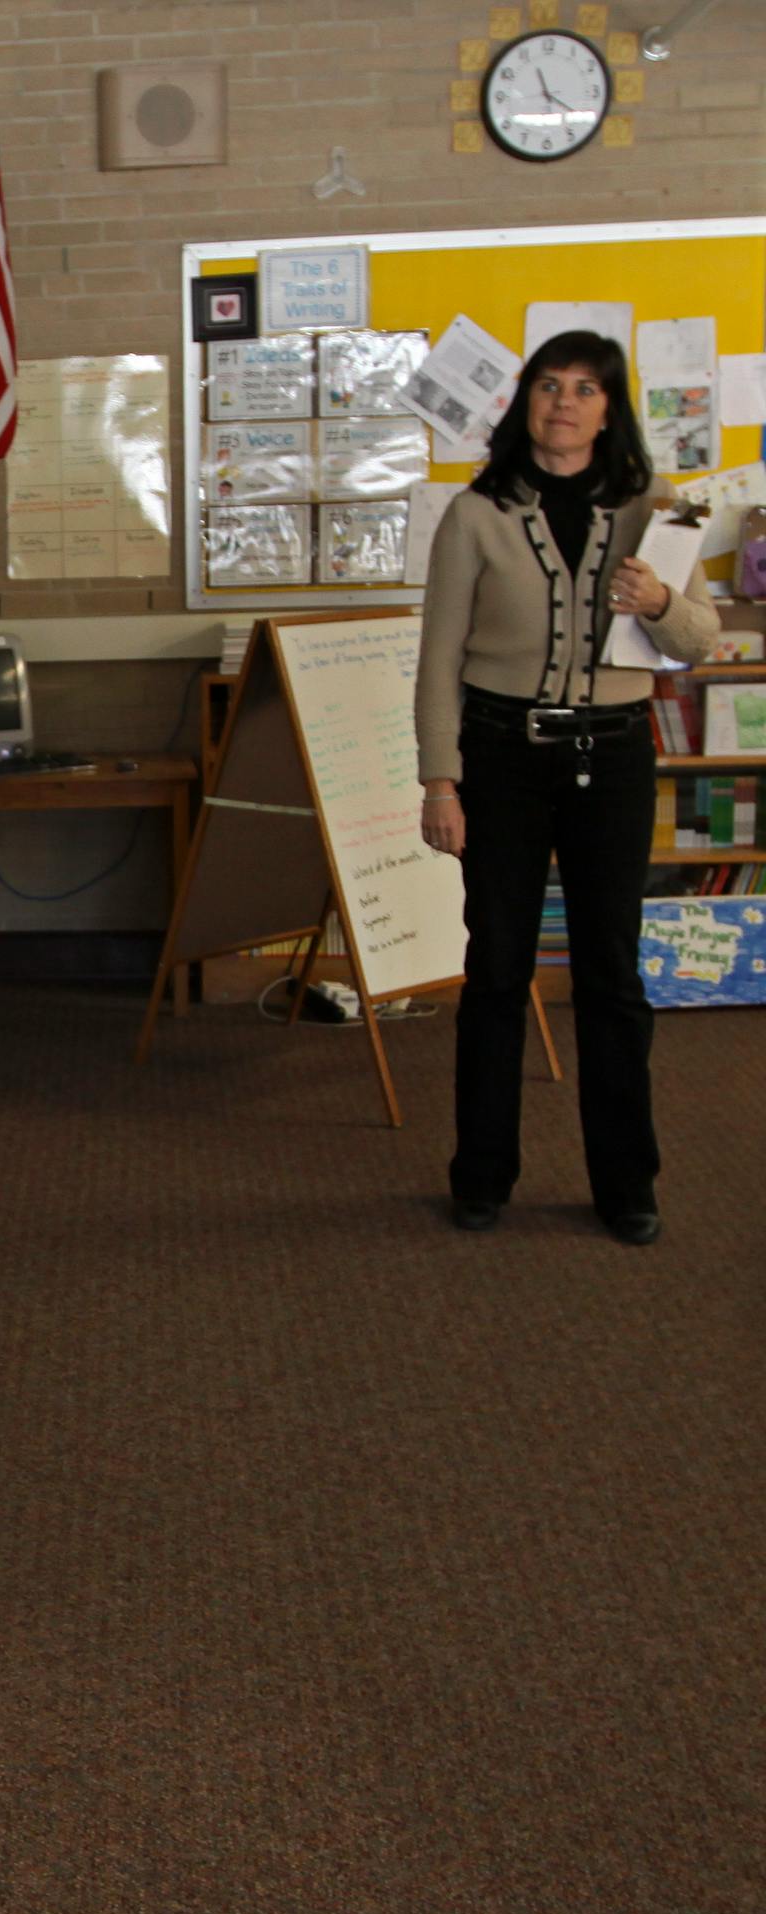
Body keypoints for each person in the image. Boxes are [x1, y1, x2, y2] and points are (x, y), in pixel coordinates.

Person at [414, 330, 715, 1245]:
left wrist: (659, 603)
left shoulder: (657, 511)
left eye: (587, 388)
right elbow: (438, 664)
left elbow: (698, 640)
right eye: (550, 386)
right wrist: (440, 779)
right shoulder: (476, 514)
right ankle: (483, 1172)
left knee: (611, 976)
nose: (566, 403)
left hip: (615, 757)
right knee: (498, 967)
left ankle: (627, 1181)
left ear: (610, 408)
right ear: (526, 402)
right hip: (503, 756)